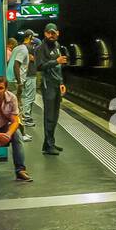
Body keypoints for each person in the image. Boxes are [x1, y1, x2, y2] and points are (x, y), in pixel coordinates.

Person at [34, 22, 68, 155]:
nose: (51, 35)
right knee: (49, 115)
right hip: (48, 85)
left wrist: (61, 82)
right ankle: (48, 146)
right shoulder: (40, 48)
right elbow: (40, 66)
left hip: (56, 84)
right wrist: (56, 61)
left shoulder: (57, 46)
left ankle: (49, 143)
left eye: (54, 33)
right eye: (49, 33)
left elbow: (58, 68)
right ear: (45, 33)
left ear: (58, 33)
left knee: (55, 115)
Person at [6, 30, 33, 142]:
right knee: (17, 108)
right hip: (15, 81)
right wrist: (20, 82)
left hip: (10, 80)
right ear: (30, 38)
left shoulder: (17, 48)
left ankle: (20, 133)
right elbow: (16, 64)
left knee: (14, 108)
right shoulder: (23, 49)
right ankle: (20, 134)